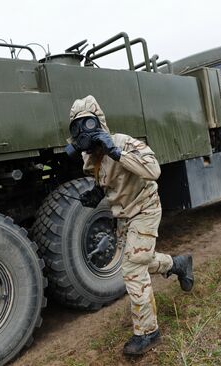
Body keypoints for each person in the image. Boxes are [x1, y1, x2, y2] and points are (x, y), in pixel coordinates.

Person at [66, 95, 194, 356]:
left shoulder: (122, 142)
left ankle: (148, 332)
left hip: (145, 207)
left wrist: (116, 151)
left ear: (98, 123)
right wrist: (97, 193)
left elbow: (153, 170)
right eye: (77, 127)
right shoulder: (90, 159)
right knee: (139, 259)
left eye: (87, 124)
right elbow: (109, 179)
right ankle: (178, 264)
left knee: (133, 267)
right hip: (124, 214)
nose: (83, 132)